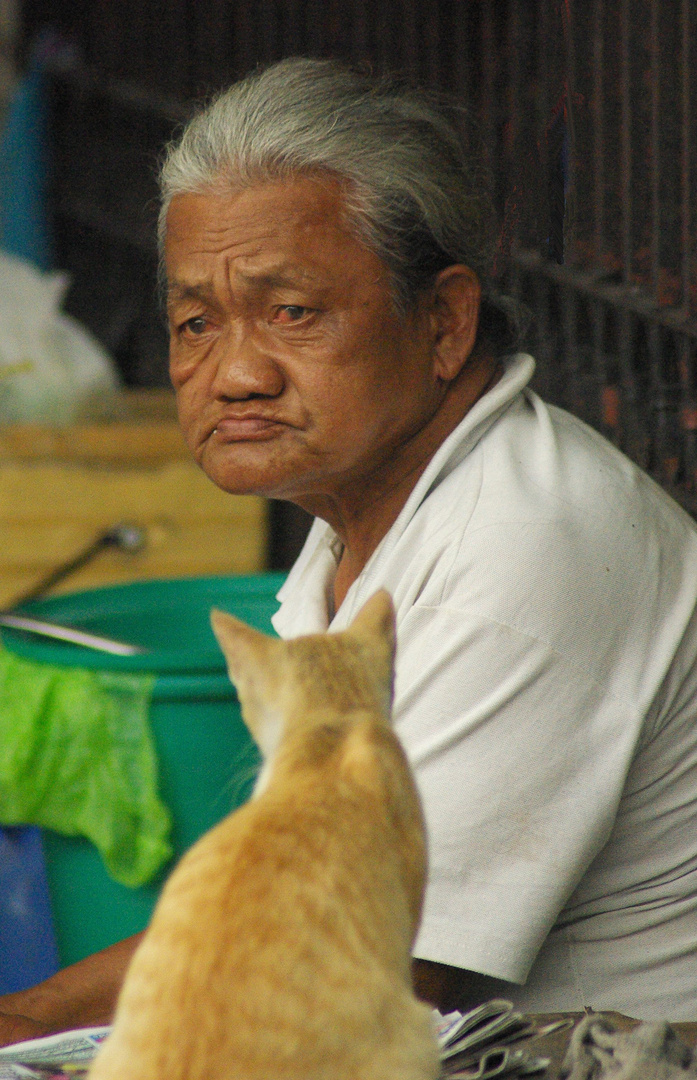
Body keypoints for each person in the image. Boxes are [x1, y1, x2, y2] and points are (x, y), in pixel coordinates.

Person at [3, 56, 697, 1043]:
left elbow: (353, 965)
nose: (235, 372)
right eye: (197, 322)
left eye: (293, 313)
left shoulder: (523, 544)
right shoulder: (369, 510)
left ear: (443, 323)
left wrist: (21, 1024)